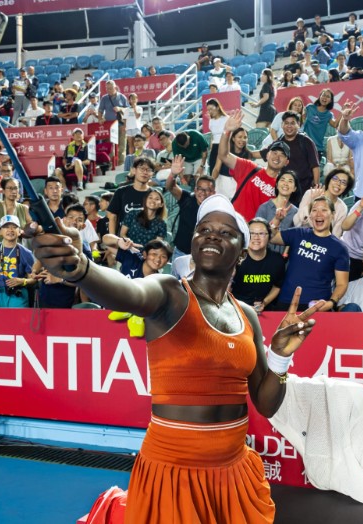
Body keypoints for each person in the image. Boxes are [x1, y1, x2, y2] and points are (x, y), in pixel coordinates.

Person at [31, 192, 322, 523]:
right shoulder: (170, 293)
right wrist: (81, 267)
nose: (212, 235)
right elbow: (129, 292)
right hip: (173, 471)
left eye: (226, 232)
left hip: (233, 471)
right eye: (204, 230)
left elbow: (266, 404)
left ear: (242, 253)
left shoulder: (246, 316)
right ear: (194, 243)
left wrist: (280, 358)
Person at [270, 195, 350, 311]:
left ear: (332, 214)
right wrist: (277, 219)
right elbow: (272, 238)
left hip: (316, 305)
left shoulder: (339, 248)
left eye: (324, 210)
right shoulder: (299, 234)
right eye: (314, 210)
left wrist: (331, 303)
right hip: (286, 301)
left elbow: (342, 284)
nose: (318, 214)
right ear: (310, 215)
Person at [218, 111, 290, 221]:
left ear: (286, 162)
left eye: (282, 155)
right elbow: (224, 155)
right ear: (267, 155)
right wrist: (226, 131)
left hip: (256, 233)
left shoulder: (283, 187)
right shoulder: (249, 167)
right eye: (274, 153)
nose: (277, 157)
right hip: (234, 224)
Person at [231, 218, 286, 313]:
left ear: (269, 237)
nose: (256, 237)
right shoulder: (234, 259)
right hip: (237, 309)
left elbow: (277, 286)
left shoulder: (277, 260)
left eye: (261, 233)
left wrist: (264, 303)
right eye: (252, 233)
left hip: (265, 311)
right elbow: (224, 290)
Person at [261, 110, 320, 199]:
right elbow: (263, 153)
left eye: (293, 123)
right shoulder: (279, 141)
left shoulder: (306, 141)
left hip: (304, 188)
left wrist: (316, 187)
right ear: (282, 125)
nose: (289, 126)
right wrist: (246, 152)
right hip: (285, 189)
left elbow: (315, 166)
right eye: (286, 123)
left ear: (298, 125)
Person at [0, 215, 34, 308]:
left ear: (19, 231)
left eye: (14, 227)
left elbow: (34, 279)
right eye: (6, 227)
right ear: (0, 231)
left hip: (17, 295)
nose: (10, 230)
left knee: (17, 322)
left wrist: (23, 281)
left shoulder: (26, 253)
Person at [294, 168, 353, 237]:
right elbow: (296, 222)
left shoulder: (342, 208)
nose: (338, 184)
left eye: (343, 182)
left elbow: (335, 236)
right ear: (329, 180)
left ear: (346, 188)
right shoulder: (310, 193)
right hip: (302, 237)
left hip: (323, 244)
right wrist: (312, 203)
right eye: (335, 179)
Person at [107, 157, 155, 235]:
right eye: (142, 169)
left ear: (152, 174)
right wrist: (113, 239)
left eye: (148, 170)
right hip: (124, 240)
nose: (145, 172)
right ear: (133, 170)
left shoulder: (155, 194)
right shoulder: (121, 192)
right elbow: (113, 217)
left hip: (148, 239)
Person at [255, 171, 300, 254]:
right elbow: (255, 233)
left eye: (290, 181)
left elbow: (295, 237)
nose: (286, 183)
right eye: (283, 180)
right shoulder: (264, 208)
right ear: (277, 185)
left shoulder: (296, 212)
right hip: (262, 254)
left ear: (294, 188)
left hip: (284, 259)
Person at [0, 178, 32, 244]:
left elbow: (30, 229)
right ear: (3, 190)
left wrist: (22, 232)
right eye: (10, 188)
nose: (13, 191)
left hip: (17, 249)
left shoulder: (24, 208)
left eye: (15, 188)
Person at [205, 98, 229, 176]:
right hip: (215, 146)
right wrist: (212, 147)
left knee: (223, 169)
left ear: (218, 107)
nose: (210, 111)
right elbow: (212, 135)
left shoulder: (226, 119)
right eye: (208, 110)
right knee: (213, 168)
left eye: (212, 109)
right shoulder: (211, 121)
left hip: (224, 146)